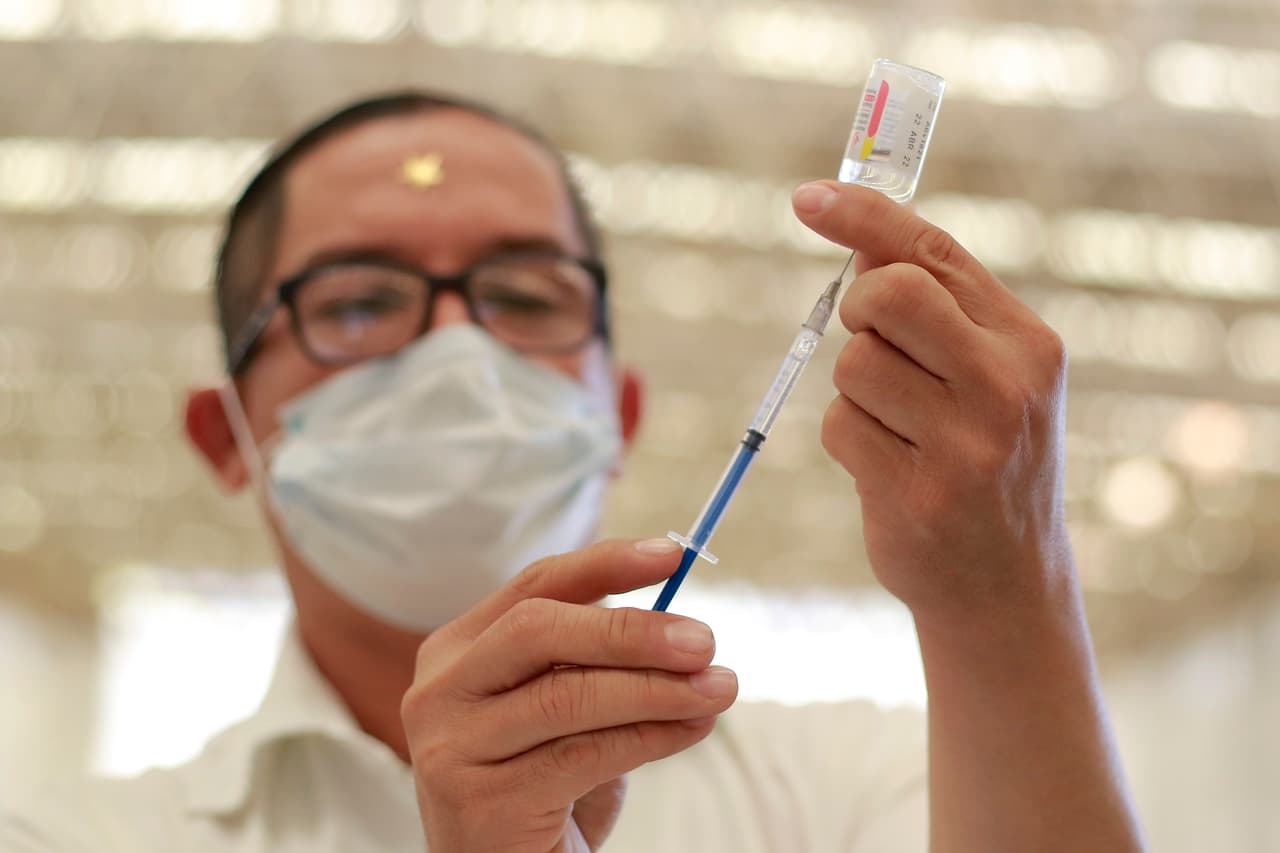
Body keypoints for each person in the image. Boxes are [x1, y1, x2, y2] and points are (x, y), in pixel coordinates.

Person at [2, 91, 1147, 852]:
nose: (457, 353)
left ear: (617, 412)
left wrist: (1006, 598)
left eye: (524, 295)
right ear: (225, 437)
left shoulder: (861, 788)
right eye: (356, 300)